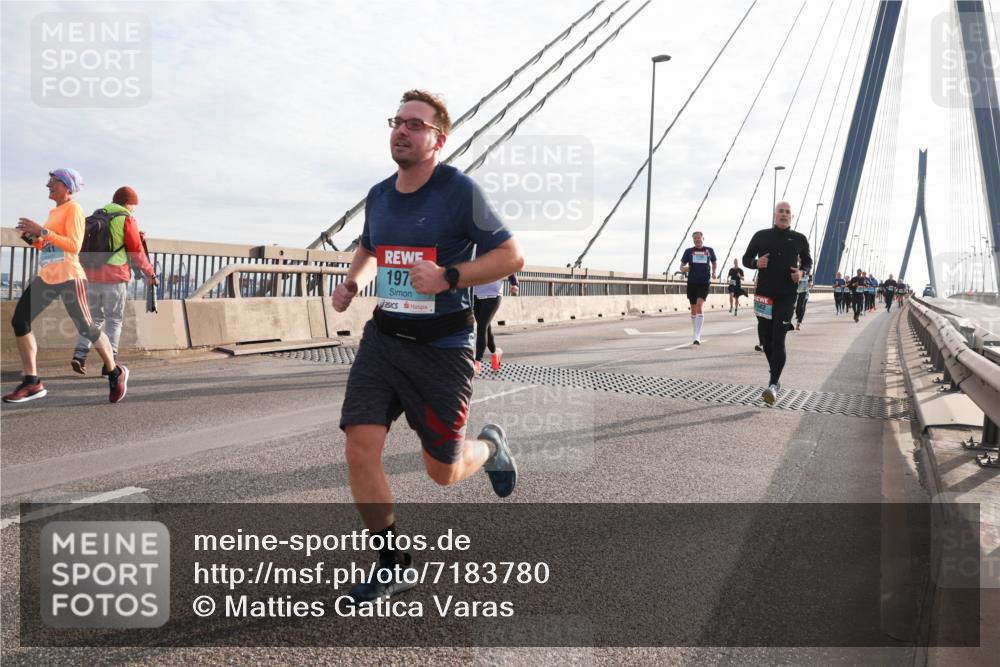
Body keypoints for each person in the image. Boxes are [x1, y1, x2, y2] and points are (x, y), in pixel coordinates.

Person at [331, 90, 524, 603]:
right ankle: (392, 561)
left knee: (443, 472)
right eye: (398, 121)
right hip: (385, 339)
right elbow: (370, 245)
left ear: (439, 139)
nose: (403, 130)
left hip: (443, 347)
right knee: (359, 447)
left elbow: (510, 256)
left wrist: (449, 276)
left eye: (416, 125)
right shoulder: (379, 194)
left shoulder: (458, 191)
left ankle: (490, 448)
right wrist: (352, 282)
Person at [5, 169, 129, 403]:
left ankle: (115, 372)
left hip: (70, 276)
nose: (47, 185)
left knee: (88, 328)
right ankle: (32, 382)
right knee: (20, 320)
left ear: (66, 185)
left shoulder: (74, 209)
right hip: (48, 276)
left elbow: (73, 245)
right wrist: (32, 237)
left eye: (52, 181)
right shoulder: (55, 212)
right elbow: (49, 246)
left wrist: (42, 231)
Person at [71, 186, 159, 375]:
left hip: (91, 276)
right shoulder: (126, 219)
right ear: (128, 203)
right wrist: (150, 273)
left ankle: (80, 354)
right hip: (115, 277)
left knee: (93, 319)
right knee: (114, 320)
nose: (134, 209)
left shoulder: (97, 216)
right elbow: (137, 252)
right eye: (134, 205)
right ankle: (109, 364)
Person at [742, 201, 811, 405]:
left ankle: (773, 384)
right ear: (774, 215)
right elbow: (746, 259)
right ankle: (775, 376)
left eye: (787, 212)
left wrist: (802, 272)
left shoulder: (799, 239)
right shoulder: (761, 235)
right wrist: (756, 263)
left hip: (787, 296)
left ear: (792, 217)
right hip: (764, 296)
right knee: (766, 340)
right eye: (780, 211)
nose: (784, 214)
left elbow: (807, 262)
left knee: (778, 340)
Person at [473, 273, 518, 375]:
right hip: (476, 293)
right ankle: (495, 353)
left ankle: (477, 363)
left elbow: (509, 266)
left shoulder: (499, 255)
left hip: (494, 293)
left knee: (482, 326)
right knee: (485, 327)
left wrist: (514, 284)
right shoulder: (475, 255)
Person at [680, 231, 717, 345]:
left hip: (704, 282)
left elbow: (714, 262)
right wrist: (684, 269)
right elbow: (681, 266)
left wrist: (714, 272)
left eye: (698, 238)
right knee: (693, 308)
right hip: (692, 282)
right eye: (695, 238)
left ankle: (697, 336)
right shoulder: (688, 251)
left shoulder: (709, 250)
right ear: (693, 239)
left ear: (703, 238)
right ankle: (695, 331)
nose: (697, 240)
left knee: (700, 304)